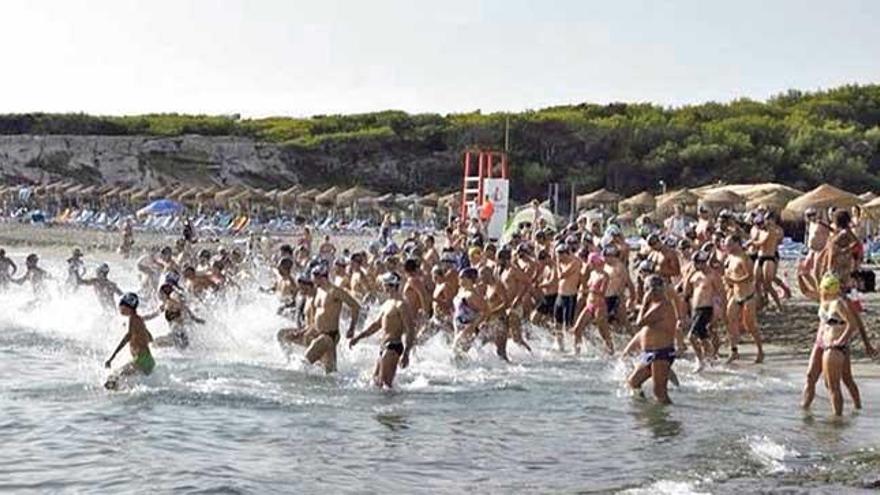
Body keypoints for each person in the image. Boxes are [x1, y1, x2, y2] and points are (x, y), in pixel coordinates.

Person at [801, 273, 872, 416]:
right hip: (821, 343)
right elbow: (806, 292)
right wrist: (800, 276)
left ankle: (853, 409)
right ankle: (804, 410)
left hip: (836, 345)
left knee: (842, 381)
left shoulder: (842, 302)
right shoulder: (823, 298)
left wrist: (866, 344)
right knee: (810, 376)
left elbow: (856, 324)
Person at [277, 264, 361, 373]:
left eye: (314, 278)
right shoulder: (319, 291)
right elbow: (315, 318)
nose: (312, 281)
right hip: (318, 333)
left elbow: (355, 306)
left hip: (329, 336)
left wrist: (352, 328)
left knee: (302, 364)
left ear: (322, 277)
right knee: (331, 374)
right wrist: (303, 331)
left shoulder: (335, 291)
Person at [349, 272, 414, 388]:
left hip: (393, 346)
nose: (383, 287)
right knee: (376, 383)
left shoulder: (401, 305)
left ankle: (393, 406)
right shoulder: (387, 303)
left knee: (385, 385)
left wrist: (406, 353)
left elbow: (410, 330)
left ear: (392, 285)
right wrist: (358, 337)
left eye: (385, 284)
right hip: (384, 346)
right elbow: (376, 325)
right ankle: (382, 406)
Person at [623, 276, 677, 405]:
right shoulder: (655, 305)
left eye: (647, 290)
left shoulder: (663, 305)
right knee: (633, 383)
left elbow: (639, 322)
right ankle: (645, 408)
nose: (646, 292)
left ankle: (669, 421)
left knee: (659, 392)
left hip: (661, 352)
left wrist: (645, 302)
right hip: (650, 353)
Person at [723, 234, 764, 364]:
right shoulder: (730, 257)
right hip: (735, 295)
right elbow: (728, 273)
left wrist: (734, 280)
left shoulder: (744, 258)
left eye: (729, 244)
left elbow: (750, 277)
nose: (726, 247)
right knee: (729, 320)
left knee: (750, 325)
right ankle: (734, 350)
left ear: (737, 243)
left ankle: (760, 350)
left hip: (748, 296)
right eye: (726, 244)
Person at [104, 293, 154, 390]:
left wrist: (112, 358)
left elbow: (127, 338)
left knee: (112, 378)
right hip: (147, 360)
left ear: (128, 307)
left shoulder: (133, 319)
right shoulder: (139, 320)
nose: (119, 308)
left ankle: (114, 402)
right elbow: (150, 338)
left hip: (141, 360)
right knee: (121, 381)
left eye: (121, 306)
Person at [144, 283, 206, 349]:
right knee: (156, 344)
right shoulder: (166, 304)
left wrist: (194, 318)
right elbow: (153, 315)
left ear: (163, 294)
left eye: (160, 293)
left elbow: (183, 307)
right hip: (178, 334)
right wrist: (142, 318)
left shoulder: (170, 303)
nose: (159, 295)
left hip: (179, 335)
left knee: (155, 344)